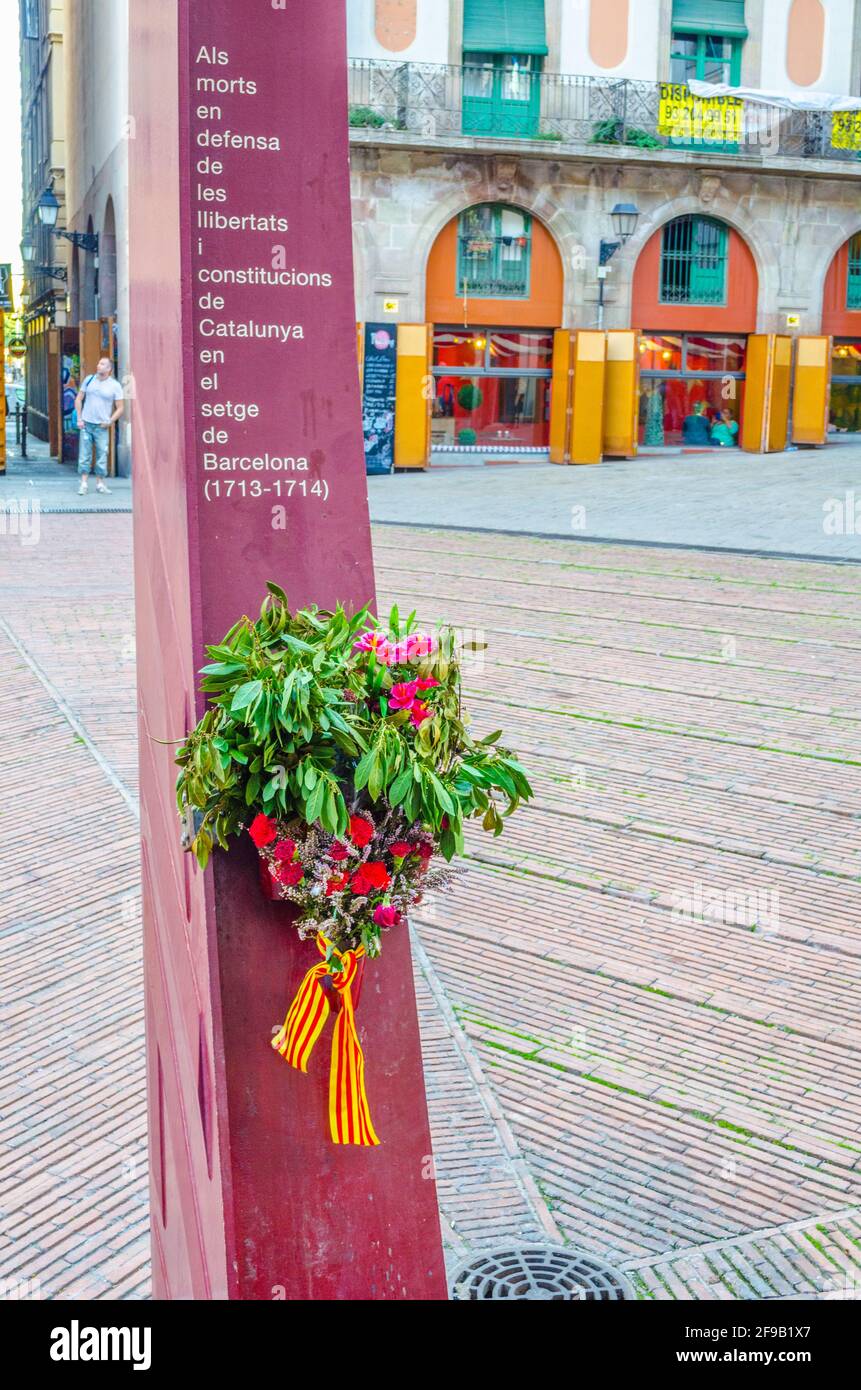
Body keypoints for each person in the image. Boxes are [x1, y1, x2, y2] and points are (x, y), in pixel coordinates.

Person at [74, 357, 124, 495]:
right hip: (86, 423)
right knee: (84, 455)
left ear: (109, 369)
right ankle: (83, 483)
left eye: (102, 364)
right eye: (98, 363)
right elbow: (79, 399)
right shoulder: (89, 380)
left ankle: (100, 484)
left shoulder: (115, 385)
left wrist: (110, 420)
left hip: (102, 426)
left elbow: (120, 408)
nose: (98, 365)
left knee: (102, 454)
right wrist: (79, 418)